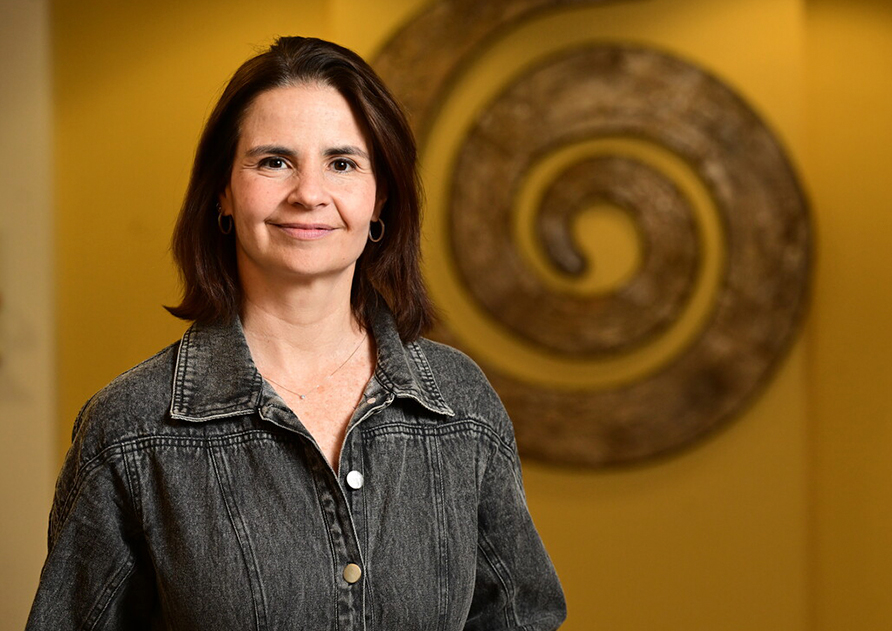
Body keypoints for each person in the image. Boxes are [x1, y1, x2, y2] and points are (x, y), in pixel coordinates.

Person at [27, 36, 566, 630]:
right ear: (224, 194)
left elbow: (523, 617)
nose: (309, 193)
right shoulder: (131, 430)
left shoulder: (461, 403)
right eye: (273, 161)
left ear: (378, 196)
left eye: (342, 163)